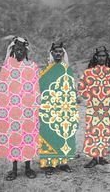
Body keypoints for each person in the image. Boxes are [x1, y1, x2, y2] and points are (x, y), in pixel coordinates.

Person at [0, 36, 40, 181]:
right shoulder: (8, 66)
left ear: (26, 51)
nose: (19, 53)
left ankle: (28, 167)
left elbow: (36, 88)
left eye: (22, 50)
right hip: (12, 111)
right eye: (17, 50)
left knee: (27, 137)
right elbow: (2, 86)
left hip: (27, 111)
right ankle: (13, 170)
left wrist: (34, 107)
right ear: (13, 50)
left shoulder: (32, 66)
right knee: (14, 137)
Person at [38, 42, 79, 177]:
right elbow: (42, 88)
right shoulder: (46, 69)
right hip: (50, 108)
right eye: (55, 51)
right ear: (51, 53)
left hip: (65, 107)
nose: (58, 54)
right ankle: (50, 163)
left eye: (60, 52)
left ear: (63, 53)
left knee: (65, 134)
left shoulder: (67, 69)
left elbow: (72, 89)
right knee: (50, 134)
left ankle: (63, 162)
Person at [78, 46, 110, 168]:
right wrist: (91, 95)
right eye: (100, 56)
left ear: (106, 57)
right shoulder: (88, 73)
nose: (102, 58)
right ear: (96, 57)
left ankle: (101, 157)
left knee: (104, 131)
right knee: (93, 131)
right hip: (94, 107)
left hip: (107, 107)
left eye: (104, 56)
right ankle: (94, 158)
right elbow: (81, 88)